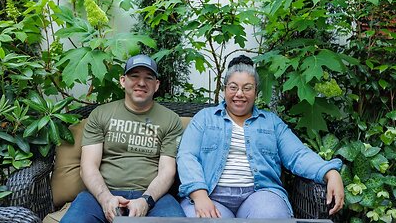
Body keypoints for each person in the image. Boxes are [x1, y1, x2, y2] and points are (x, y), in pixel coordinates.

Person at [176, 55, 345, 219]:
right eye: (233, 87)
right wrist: (199, 195)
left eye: (247, 88)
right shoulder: (205, 118)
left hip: (259, 194)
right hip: (211, 194)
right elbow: (187, 155)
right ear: (225, 89)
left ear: (256, 91)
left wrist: (329, 172)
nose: (239, 94)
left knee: (271, 215)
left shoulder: (271, 122)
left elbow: (297, 154)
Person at [61, 54, 186, 223]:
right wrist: (105, 198)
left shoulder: (170, 120)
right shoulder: (101, 114)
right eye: (134, 76)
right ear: (122, 81)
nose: (141, 83)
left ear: (156, 85)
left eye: (148, 78)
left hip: (153, 197)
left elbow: (167, 171)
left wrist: (146, 201)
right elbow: (88, 166)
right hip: (101, 194)